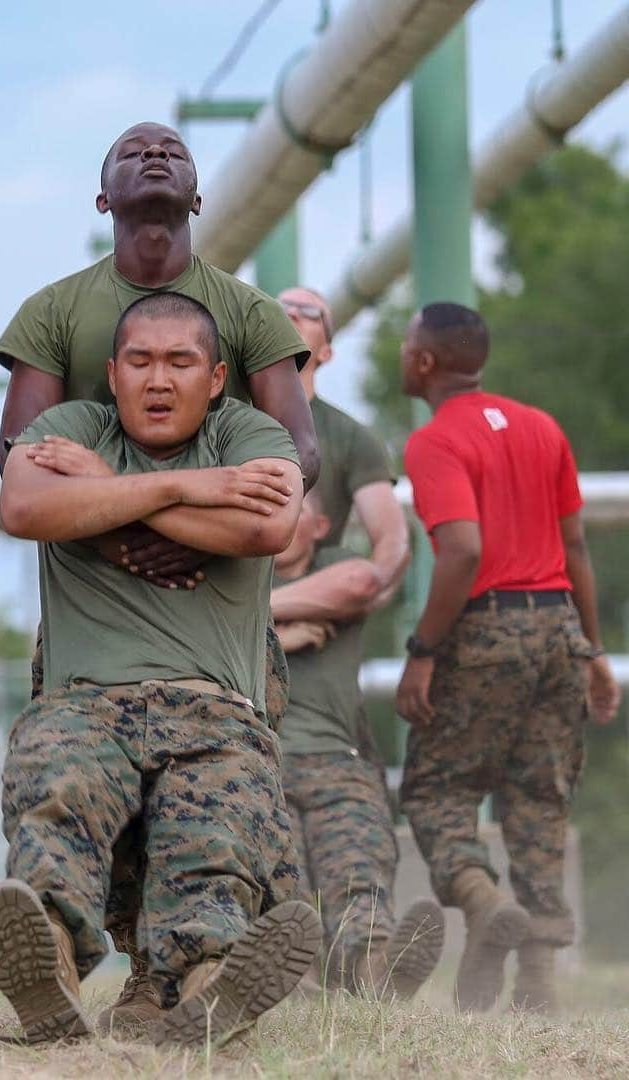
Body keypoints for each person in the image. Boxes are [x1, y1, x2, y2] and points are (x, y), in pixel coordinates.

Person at [0, 121, 314, 1031]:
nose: (159, 378)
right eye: (140, 362)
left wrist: (126, 496)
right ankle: (49, 965)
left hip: (214, 679)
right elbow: (19, 495)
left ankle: (198, 989)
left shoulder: (249, 347)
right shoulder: (63, 353)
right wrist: (167, 495)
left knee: (217, 829)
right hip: (89, 684)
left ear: (219, 379)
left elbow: (279, 504)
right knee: (59, 795)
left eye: (181, 363)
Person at [395, 302, 621, 1013]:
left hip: (487, 628)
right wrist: (592, 650)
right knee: (540, 798)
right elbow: (576, 546)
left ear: (426, 362)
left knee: (436, 791)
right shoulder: (541, 426)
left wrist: (423, 651)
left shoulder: (434, 442)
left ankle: (481, 898)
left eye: (407, 344)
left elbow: (462, 549)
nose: (402, 353)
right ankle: (539, 988)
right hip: (558, 627)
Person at [273, 489, 444, 998]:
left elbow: (372, 576)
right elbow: (198, 633)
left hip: (337, 763)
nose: (280, 519)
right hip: (259, 763)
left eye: (295, 509)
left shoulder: (342, 570)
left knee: (358, 864)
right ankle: (296, 983)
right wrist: (279, 634)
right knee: (282, 882)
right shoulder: (233, 578)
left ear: (321, 526)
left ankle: (376, 971)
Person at [270, 286, 409, 625]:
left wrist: (353, 598)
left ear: (327, 352)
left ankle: (254, 616)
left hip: (310, 621)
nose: (292, 314)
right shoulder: (221, 416)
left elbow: (392, 542)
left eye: (310, 313)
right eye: (282, 307)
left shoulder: (353, 437)